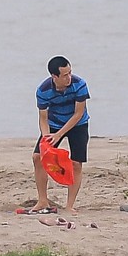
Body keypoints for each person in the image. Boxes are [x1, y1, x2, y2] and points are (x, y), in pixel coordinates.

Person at [27, 56, 89, 216]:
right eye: (64, 75)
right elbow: (43, 118)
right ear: (54, 77)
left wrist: (59, 134)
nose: (69, 77)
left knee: (76, 163)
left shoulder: (79, 84)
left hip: (78, 124)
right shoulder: (43, 90)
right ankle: (42, 200)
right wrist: (47, 138)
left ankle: (69, 206)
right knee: (38, 157)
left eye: (70, 73)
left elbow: (78, 114)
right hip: (54, 123)